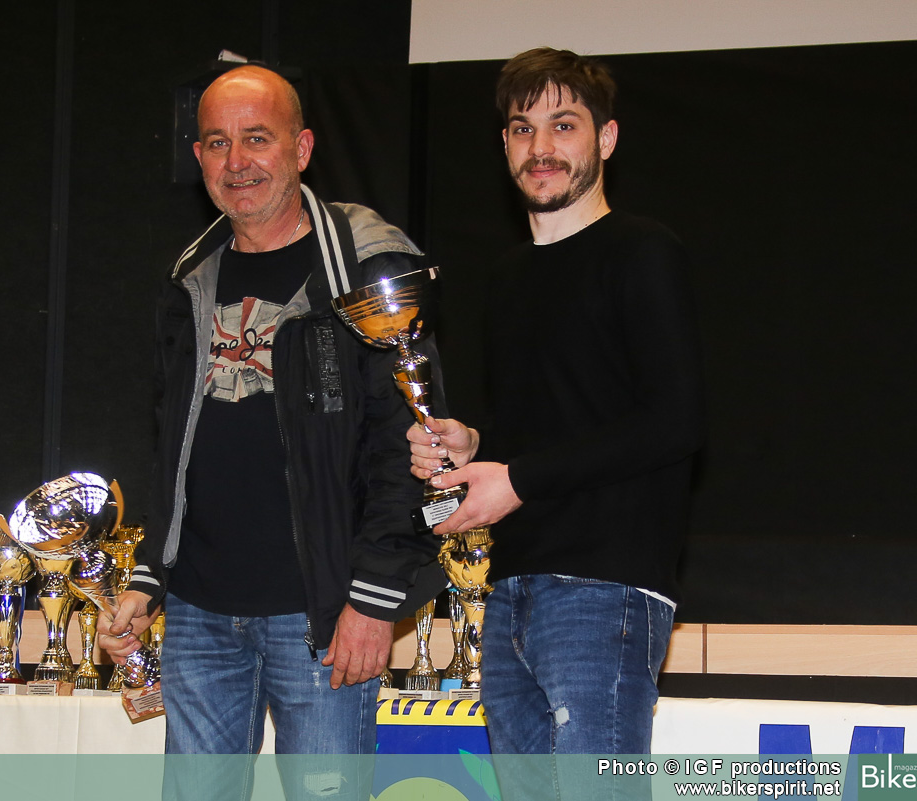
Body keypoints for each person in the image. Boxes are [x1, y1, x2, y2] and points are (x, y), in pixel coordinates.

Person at [98, 65, 444, 798]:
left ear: (302, 147)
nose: (237, 162)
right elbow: (172, 445)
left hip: (324, 614)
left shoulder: (366, 265)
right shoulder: (188, 278)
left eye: (257, 138)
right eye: (217, 142)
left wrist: (374, 598)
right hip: (198, 612)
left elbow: (409, 448)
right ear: (198, 156)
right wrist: (152, 574)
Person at [407, 47, 705, 787]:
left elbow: (676, 421)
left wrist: (517, 479)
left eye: (563, 125)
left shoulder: (643, 251)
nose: (540, 147)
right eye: (522, 128)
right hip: (511, 588)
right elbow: (543, 427)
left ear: (606, 137)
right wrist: (473, 444)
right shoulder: (507, 277)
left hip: (605, 589)